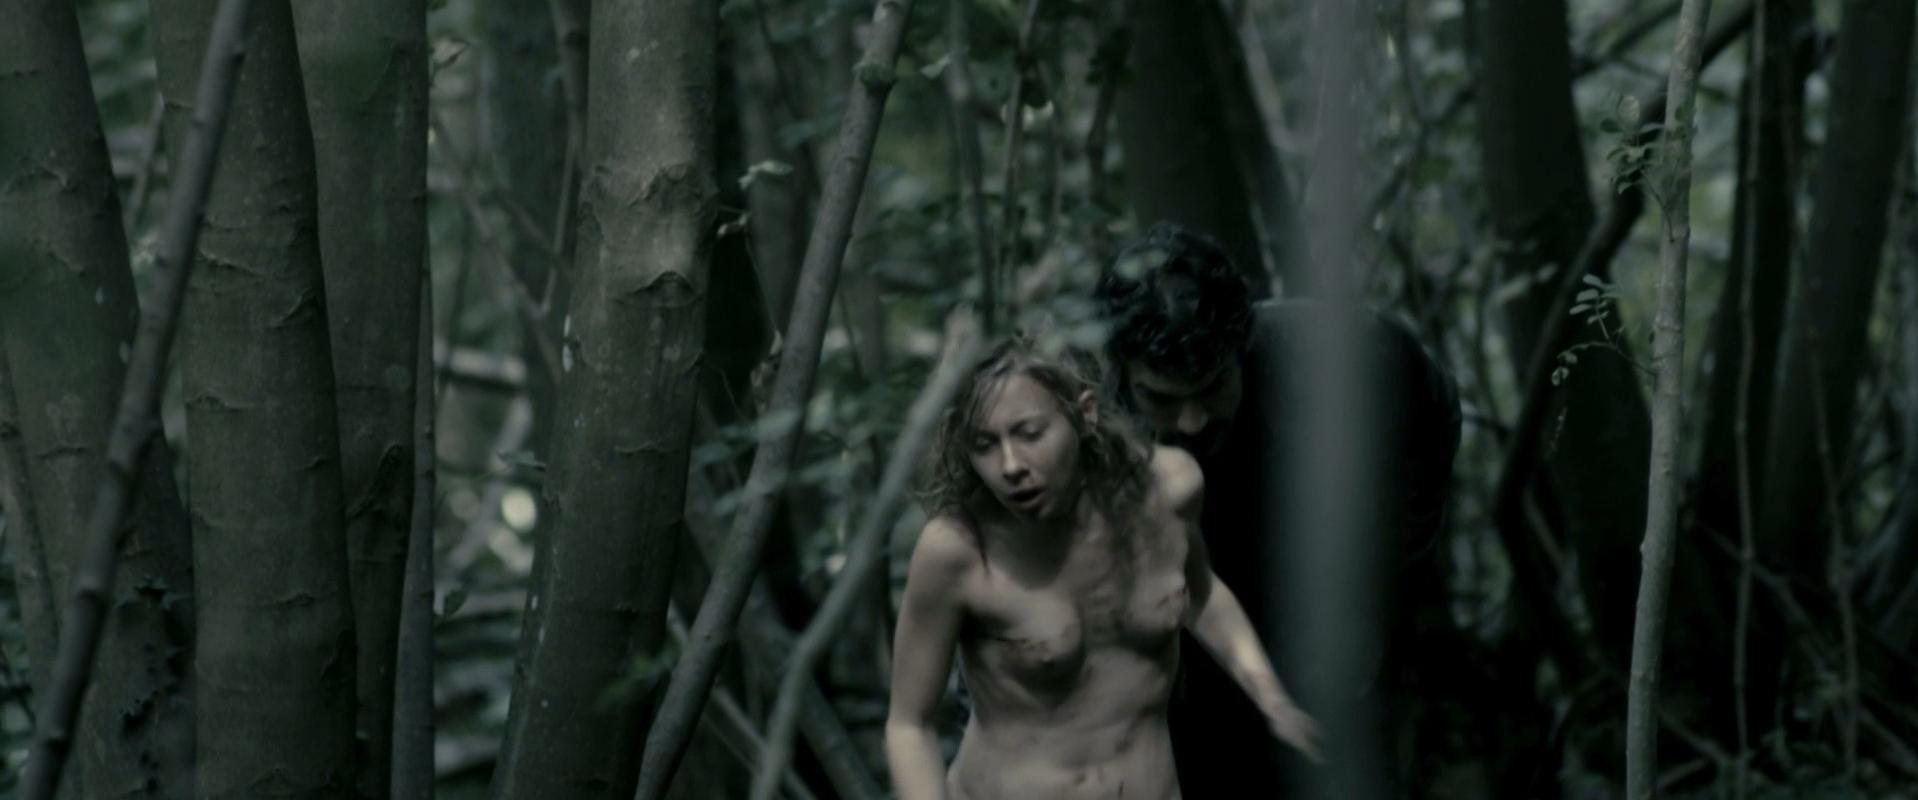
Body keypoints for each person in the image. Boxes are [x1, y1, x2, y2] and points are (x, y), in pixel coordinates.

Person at [1095, 222, 1462, 796]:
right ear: (1124, 376)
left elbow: (1431, 416)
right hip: (1190, 627)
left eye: (1211, 387)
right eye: (1162, 398)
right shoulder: (1086, 433)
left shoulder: (1345, 356)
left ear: (1241, 349)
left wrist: (1380, 583)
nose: (1191, 420)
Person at [884, 336, 1320, 800]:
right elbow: (909, 726)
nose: (1010, 465)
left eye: (1030, 434)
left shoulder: (1168, 490)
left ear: (1084, 413)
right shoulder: (958, 550)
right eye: (984, 444)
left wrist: (1271, 696)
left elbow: (1201, 594)